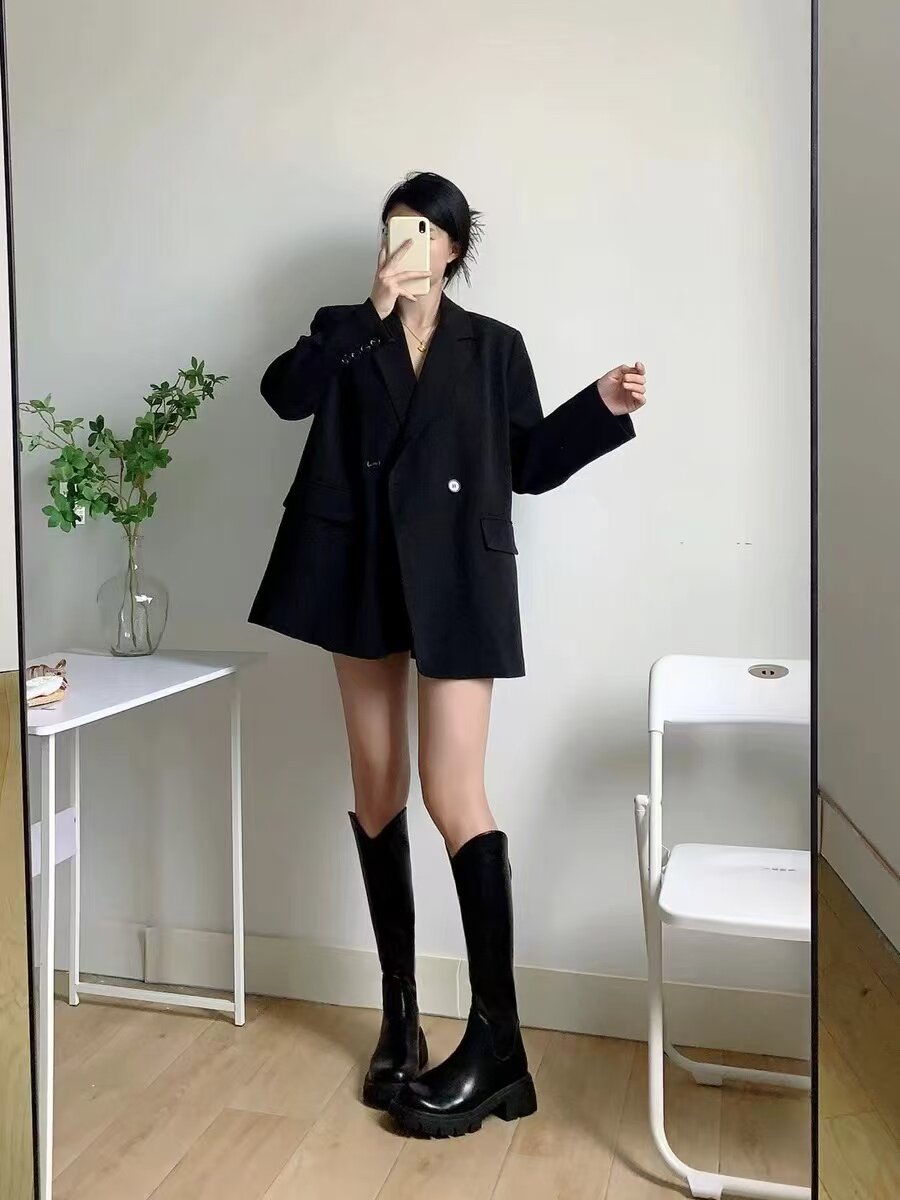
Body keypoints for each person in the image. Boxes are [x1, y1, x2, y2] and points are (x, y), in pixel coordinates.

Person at [248, 171, 646, 1138]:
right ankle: (400, 1020)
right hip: (359, 570)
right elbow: (282, 396)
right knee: (377, 786)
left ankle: (498, 1043)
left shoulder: (493, 346)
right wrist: (370, 313)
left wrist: (599, 405)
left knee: (453, 794)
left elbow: (529, 466)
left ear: (455, 246)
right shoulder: (348, 328)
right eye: (396, 226)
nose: (408, 240)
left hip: (459, 577)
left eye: (426, 228)